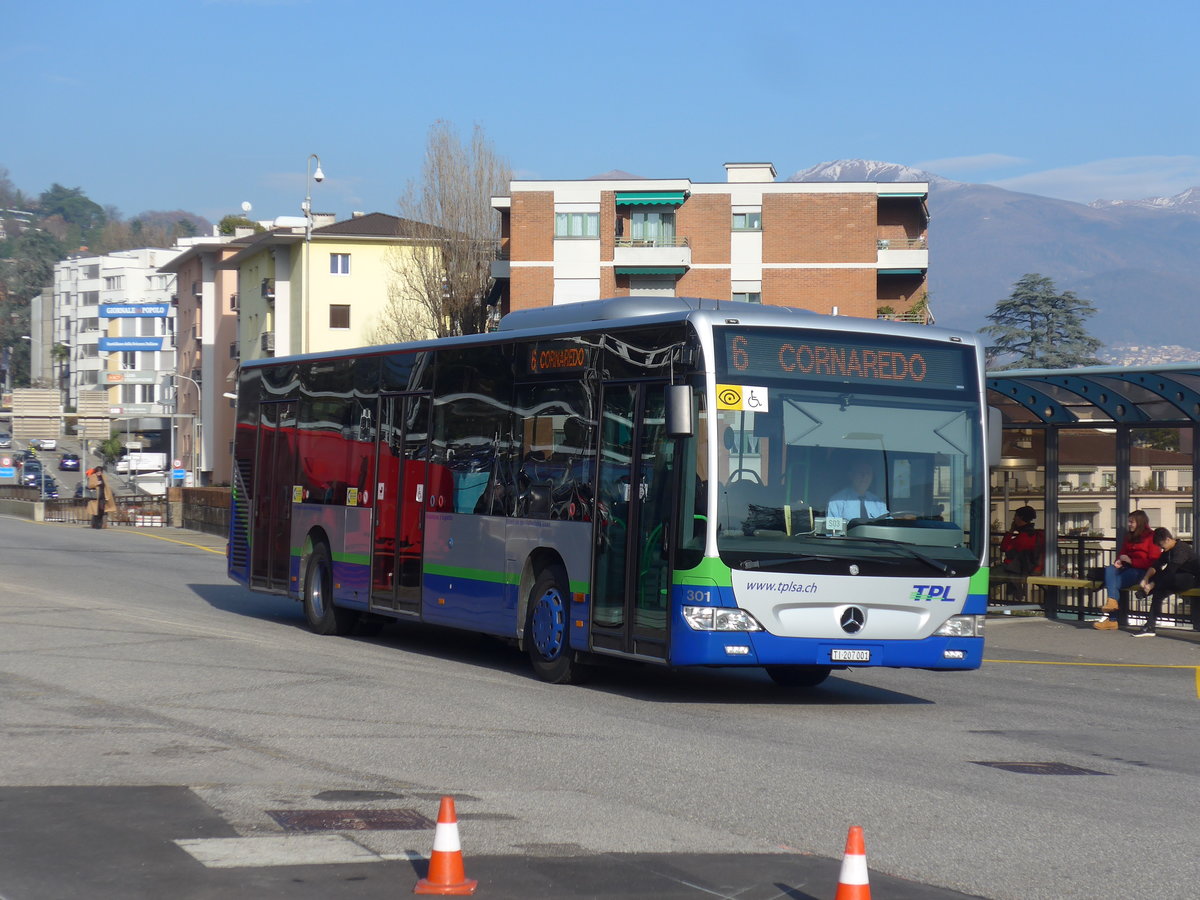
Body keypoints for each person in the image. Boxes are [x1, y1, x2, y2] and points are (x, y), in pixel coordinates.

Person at [1093, 509, 1161, 630]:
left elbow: (1153, 562)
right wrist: (1119, 561)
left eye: (1132, 522)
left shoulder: (1152, 537)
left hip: (1142, 572)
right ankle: (1112, 604)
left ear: (1139, 522)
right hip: (1127, 568)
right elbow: (1123, 553)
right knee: (1110, 569)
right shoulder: (1129, 536)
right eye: (1129, 522)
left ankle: (1112, 619)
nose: (1129, 524)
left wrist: (1131, 561)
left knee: (1113, 583)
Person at [1132, 527, 1200, 637]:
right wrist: (1146, 578)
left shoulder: (1181, 549)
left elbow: (1170, 571)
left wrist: (1151, 585)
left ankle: (1147, 592)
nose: (1160, 548)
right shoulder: (1167, 551)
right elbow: (1156, 565)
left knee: (1167, 578)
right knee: (1159, 593)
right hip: (1176, 579)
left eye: (1161, 545)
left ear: (1168, 539)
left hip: (1192, 579)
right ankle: (1150, 626)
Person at [999, 506, 1044, 600]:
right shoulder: (1033, 534)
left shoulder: (1023, 537)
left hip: (1016, 569)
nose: (1013, 518)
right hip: (1029, 568)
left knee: (986, 578)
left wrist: (1011, 531)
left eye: (1015, 516)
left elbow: (1004, 548)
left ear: (1021, 518)